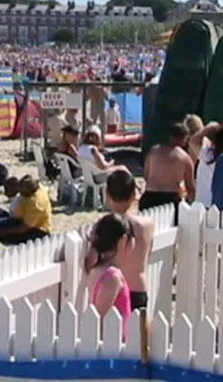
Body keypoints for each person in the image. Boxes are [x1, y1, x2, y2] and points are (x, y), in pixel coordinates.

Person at [103, 169, 154, 312]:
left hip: (114, 289)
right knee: (139, 332)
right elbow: (148, 253)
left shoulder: (103, 226)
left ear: (107, 194)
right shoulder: (147, 225)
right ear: (133, 195)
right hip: (137, 286)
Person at [83, 213, 134, 336]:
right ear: (123, 241)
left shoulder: (97, 269)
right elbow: (100, 318)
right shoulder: (113, 277)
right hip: (115, 345)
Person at [140, 123, 196, 215]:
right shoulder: (185, 158)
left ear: (170, 136)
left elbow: (146, 176)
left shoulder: (154, 151)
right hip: (171, 198)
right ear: (185, 138)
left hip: (150, 196)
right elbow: (190, 186)